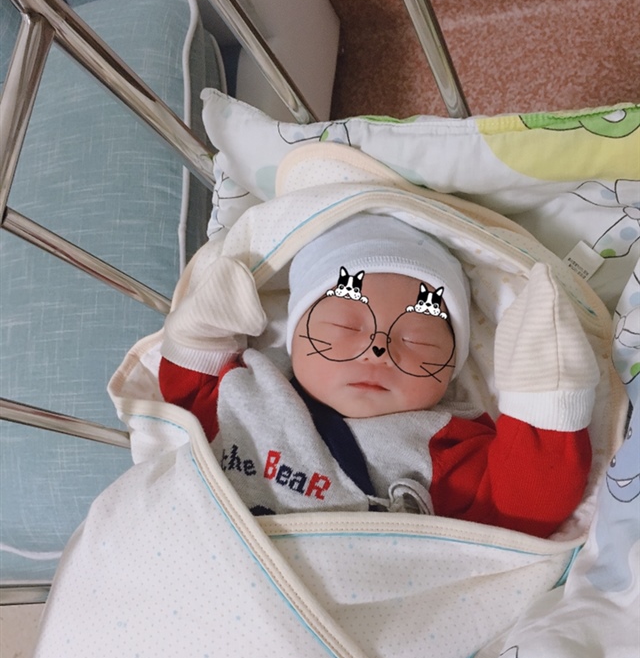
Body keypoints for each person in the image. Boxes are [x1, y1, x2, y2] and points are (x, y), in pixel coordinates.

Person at [159, 214, 600, 537]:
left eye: (417, 339)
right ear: (294, 335)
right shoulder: (249, 388)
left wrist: (545, 399)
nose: (378, 349)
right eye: (345, 326)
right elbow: (184, 400)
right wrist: (202, 331)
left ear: (451, 368)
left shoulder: (442, 444)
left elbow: (523, 506)